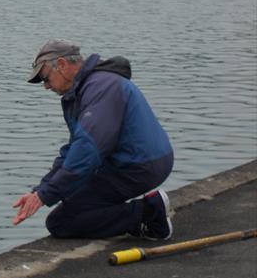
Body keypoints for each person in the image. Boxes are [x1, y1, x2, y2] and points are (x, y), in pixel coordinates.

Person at [12, 38, 174, 240]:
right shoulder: (83, 90)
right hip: (130, 162)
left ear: (62, 65)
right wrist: (41, 190)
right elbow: (75, 149)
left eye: (46, 78)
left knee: (62, 222)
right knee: (66, 204)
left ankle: (150, 212)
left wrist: (45, 196)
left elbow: (87, 152)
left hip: (139, 165)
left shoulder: (101, 88)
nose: (46, 87)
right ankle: (141, 216)